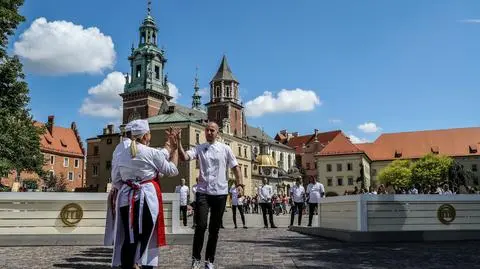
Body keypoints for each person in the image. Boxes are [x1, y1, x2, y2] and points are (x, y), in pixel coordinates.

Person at [104, 120, 179, 269]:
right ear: (146, 136)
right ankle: (141, 263)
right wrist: (175, 150)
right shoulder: (151, 152)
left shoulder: (121, 152)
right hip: (146, 199)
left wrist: (130, 185)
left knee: (129, 236)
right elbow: (171, 170)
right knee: (145, 236)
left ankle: (128, 264)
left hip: (126, 198)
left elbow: (116, 180)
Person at [178, 122, 242, 269]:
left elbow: (236, 167)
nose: (209, 132)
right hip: (203, 192)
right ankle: (196, 259)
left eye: (212, 130)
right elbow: (184, 157)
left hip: (220, 193)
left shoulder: (225, 149)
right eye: (207, 130)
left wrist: (240, 185)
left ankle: (209, 260)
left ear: (217, 133)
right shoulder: (200, 148)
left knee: (214, 229)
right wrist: (179, 142)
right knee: (200, 226)